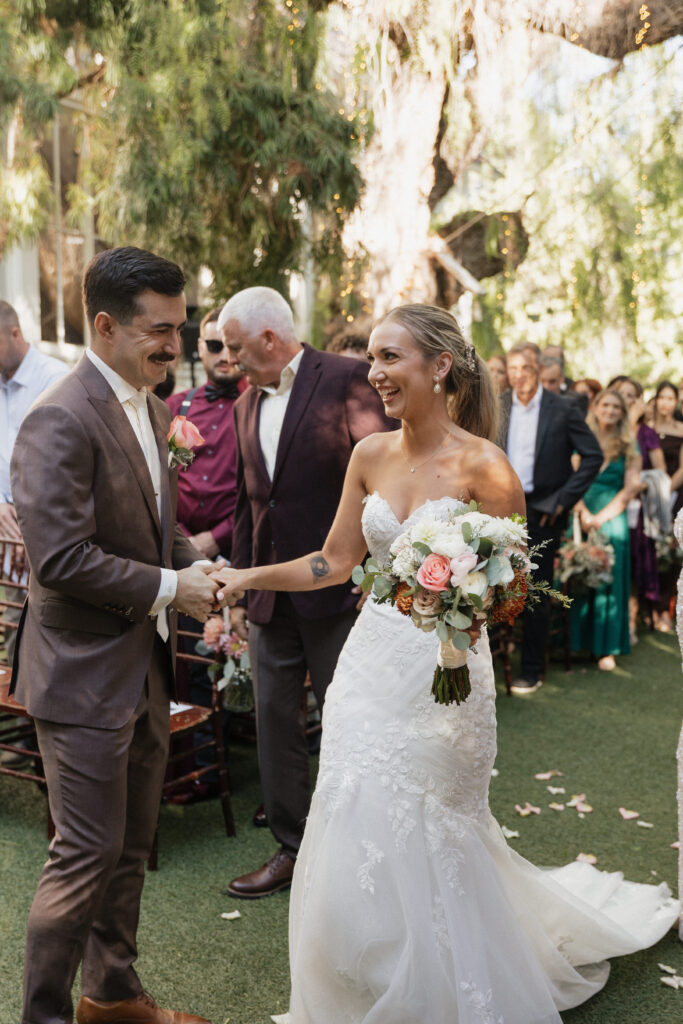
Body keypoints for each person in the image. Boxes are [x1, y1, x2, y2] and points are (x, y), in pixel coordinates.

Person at [214, 304, 679, 1024]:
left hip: (448, 671)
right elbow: (333, 561)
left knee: (431, 820)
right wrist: (247, 576)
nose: (375, 372)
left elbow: (514, 589)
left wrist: (458, 602)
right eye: (372, 357)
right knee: (353, 805)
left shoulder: (484, 466)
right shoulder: (369, 454)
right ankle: (369, 980)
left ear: (440, 366)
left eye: (390, 357)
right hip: (370, 666)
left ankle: (441, 983)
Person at [9, 246, 224, 1024]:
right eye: (158, 330)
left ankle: (111, 996)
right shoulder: (58, 418)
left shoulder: (156, 410)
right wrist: (172, 588)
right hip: (79, 676)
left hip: (144, 667)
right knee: (83, 855)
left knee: (130, 845)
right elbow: (62, 560)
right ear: (104, 326)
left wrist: (199, 568)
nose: (175, 344)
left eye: (180, 326)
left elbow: (157, 531)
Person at [218, 286, 393, 899]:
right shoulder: (244, 405)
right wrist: (242, 593)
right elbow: (248, 505)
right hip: (270, 596)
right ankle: (293, 847)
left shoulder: (346, 379)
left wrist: (381, 577)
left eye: (235, 347)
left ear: (269, 338)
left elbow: (386, 485)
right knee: (273, 721)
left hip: (341, 594)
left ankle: (363, 849)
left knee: (352, 720)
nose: (229, 360)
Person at [166, 307, 246, 802]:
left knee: (218, 657)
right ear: (199, 348)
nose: (223, 356)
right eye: (213, 346)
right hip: (180, 554)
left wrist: (215, 539)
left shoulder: (257, 405)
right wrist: (182, 542)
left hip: (238, 551)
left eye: (230, 347)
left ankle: (217, 768)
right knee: (182, 661)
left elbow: (265, 494)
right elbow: (161, 485)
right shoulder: (178, 406)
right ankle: (185, 765)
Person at [500, 342, 602, 694]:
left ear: (539, 370)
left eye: (526, 369)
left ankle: (531, 669)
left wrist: (564, 500)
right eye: (513, 369)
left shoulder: (563, 408)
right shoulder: (498, 405)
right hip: (501, 508)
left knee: (535, 590)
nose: (519, 376)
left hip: (544, 510)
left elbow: (592, 455)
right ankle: (490, 662)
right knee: (488, 579)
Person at [0, 300, 68, 664]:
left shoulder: (55, 380)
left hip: (48, 532)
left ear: (15, 333)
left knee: (50, 642)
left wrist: (28, 516)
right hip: (6, 536)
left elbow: (62, 464)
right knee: (13, 636)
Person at [569, 389, 641, 670]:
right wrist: (584, 513)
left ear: (622, 413)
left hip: (612, 519)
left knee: (609, 581)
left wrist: (600, 518)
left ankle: (606, 647)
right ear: (596, 407)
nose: (610, 411)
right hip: (581, 513)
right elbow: (571, 478)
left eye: (616, 407)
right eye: (605, 405)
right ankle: (576, 642)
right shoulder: (581, 439)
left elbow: (630, 489)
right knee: (577, 575)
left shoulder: (630, 447)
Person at [613, 377, 668, 640]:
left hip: (637, 506)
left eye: (631, 395)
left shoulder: (646, 433)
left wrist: (636, 486)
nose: (627, 400)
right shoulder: (608, 428)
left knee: (634, 565)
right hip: (608, 503)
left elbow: (660, 471)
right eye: (621, 394)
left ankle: (631, 624)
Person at [649, 380, 683, 631]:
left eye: (670, 398)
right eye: (662, 397)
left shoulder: (681, 429)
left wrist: (665, 492)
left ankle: (664, 610)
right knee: (647, 549)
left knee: (669, 551)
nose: (666, 403)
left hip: (673, 494)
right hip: (645, 495)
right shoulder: (646, 428)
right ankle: (646, 608)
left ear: (676, 402)